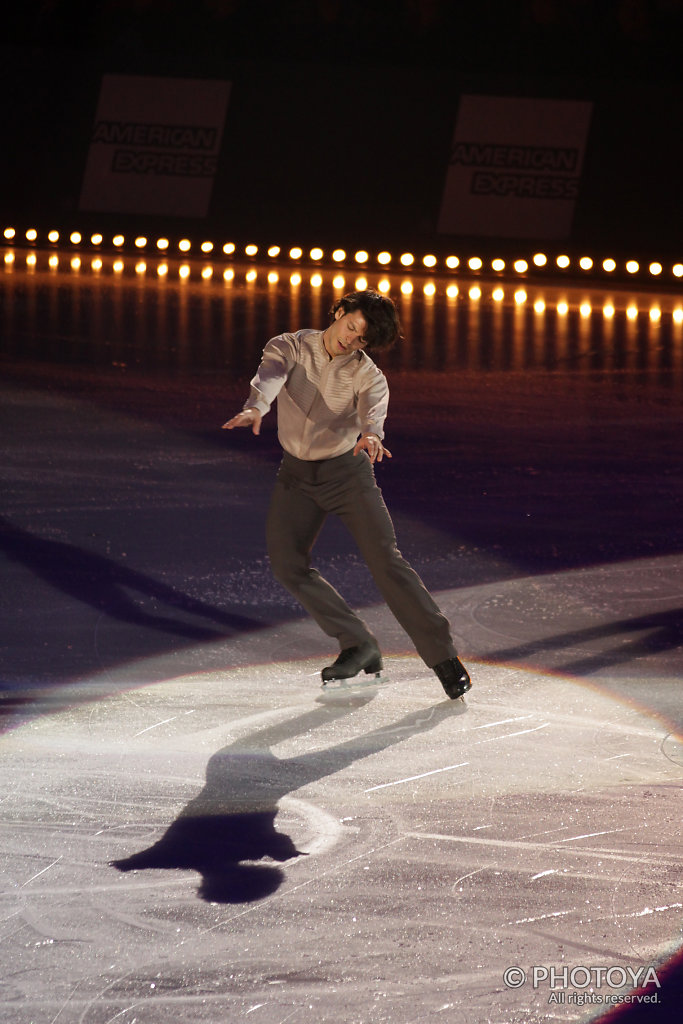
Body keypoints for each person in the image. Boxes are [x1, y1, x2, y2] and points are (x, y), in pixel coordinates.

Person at [223, 289, 471, 700]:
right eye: (351, 327)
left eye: (362, 339)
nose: (351, 339)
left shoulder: (367, 373)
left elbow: (374, 408)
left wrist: (372, 434)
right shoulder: (290, 346)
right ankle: (358, 642)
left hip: (347, 474)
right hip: (296, 476)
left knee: (386, 561)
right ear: (338, 312)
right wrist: (257, 406)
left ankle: (444, 657)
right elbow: (271, 373)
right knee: (287, 564)